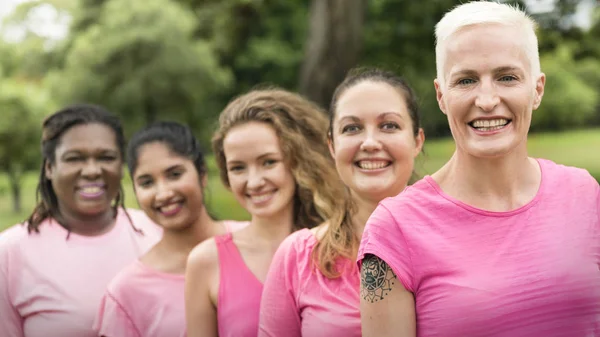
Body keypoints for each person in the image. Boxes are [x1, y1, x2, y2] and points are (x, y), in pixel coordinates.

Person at [358, 2, 600, 337]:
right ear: (442, 96)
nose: (486, 100)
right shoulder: (393, 229)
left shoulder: (585, 194)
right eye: (467, 80)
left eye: (507, 77)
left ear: (537, 90)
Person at [258, 67, 425, 337]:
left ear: (417, 140)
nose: (370, 142)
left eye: (389, 125)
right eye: (352, 128)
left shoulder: (455, 239)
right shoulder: (298, 257)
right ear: (332, 146)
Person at [185, 88, 345, 337]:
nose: (254, 181)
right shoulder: (205, 262)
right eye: (238, 168)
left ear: (298, 161)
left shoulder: (341, 247)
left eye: (268, 162)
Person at [0, 104, 162, 337]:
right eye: (75, 158)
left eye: (106, 157)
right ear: (49, 168)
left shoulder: (157, 233)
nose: (92, 170)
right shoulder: (9, 253)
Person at [93, 121, 246, 337]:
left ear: (202, 176)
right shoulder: (127, 292)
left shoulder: (256, 242)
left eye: (174, 174)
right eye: (147, 183)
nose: (163, 193)